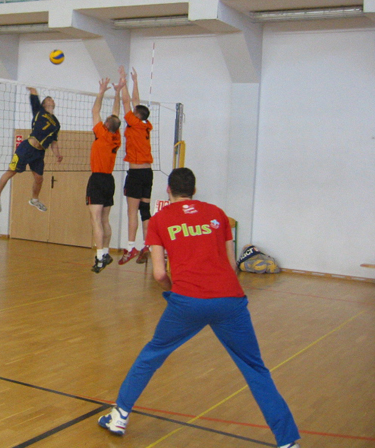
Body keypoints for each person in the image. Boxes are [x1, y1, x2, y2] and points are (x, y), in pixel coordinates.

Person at [98, 168, 301, 448]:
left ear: (168, 190)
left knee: (152, 355)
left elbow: (159, 273)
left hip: (187, 301)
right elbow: (231, 264)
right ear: (194, 190)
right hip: (229, 300)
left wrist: (174, 291)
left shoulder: (159, 220)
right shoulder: (218, 214)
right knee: (255, 369)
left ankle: (119, 415)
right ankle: (288, 441)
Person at [0, 87, 62, 214]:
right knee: (11, 172)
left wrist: (57, 154)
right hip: (27, 148)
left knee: (39, 178)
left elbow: (54, 141)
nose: (51, 100)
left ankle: (34, 200)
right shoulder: (39, 111)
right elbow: (34, 98)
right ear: (44, 104)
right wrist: (33, 90)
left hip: (39, 153)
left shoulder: (56, 124)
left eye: (52, 99)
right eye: (48, 99)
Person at [88, 75, 126, 273]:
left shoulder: (101, 134)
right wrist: (117, 92)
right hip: (109, 180)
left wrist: (102, 91)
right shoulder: (116, 137)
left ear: (106, 126)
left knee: (95, 219)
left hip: (97, 179)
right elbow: (115, 114)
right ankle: (106, 252)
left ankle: (100, 256)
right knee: (104, 220)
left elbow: (95, 110)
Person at [117, 66, 153, 265]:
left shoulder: (134, 123)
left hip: (136, 174)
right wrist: (136, 81)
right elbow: (136, 102)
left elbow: (126, 101)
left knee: (132, 211)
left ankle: (131, 247)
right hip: (148, 173)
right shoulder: (146, 125)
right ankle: (147, 245)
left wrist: (123, 83)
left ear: (136, 116)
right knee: (144, 211)